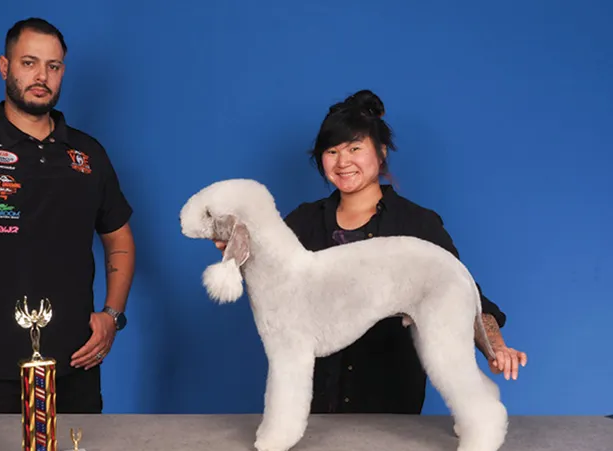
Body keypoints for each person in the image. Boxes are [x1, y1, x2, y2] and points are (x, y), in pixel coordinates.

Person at [216, 89, 527, 414]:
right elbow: (266, 274)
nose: (343, 161)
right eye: (331, 151)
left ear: (380, 152)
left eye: (354, 148)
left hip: (391, 412)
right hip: (317, 415)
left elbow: (466, 295)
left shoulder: (418, 224)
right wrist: (235, 250)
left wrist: (496, 348)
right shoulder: (300, 222)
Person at [0, 18, 135, 417]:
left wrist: (111, 316)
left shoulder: (88, 155)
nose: (41, 76)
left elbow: (119, 239)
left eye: (53, 66)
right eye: (29, 62)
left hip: (76, 367)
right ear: (4, 66)